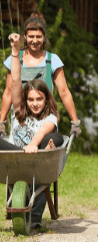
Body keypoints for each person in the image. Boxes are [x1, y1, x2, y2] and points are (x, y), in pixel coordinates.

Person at [0, 33, 64, 229]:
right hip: (14, 155)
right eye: (31, 99)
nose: (35, 104)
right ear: (25, 100)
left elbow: (43, 130)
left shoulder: (50, 117)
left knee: (53, 138)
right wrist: (15, 49)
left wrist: (35, 144)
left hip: (36, 158)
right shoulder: (19, 111)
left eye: (39, 99)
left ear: (46, 99)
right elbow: (15, 80)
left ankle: (35, 217)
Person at [0, 14, 81, 138]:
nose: (34, 40)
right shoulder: (16, 59)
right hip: (21, 116)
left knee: (47, 143)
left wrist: (75, 121)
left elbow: (64, 92)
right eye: (31, 36)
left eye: (39, 37)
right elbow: (8, 92)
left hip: (46, 116)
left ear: (44, 38)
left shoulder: (52, 60)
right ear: (25, 37)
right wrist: (1, 121)